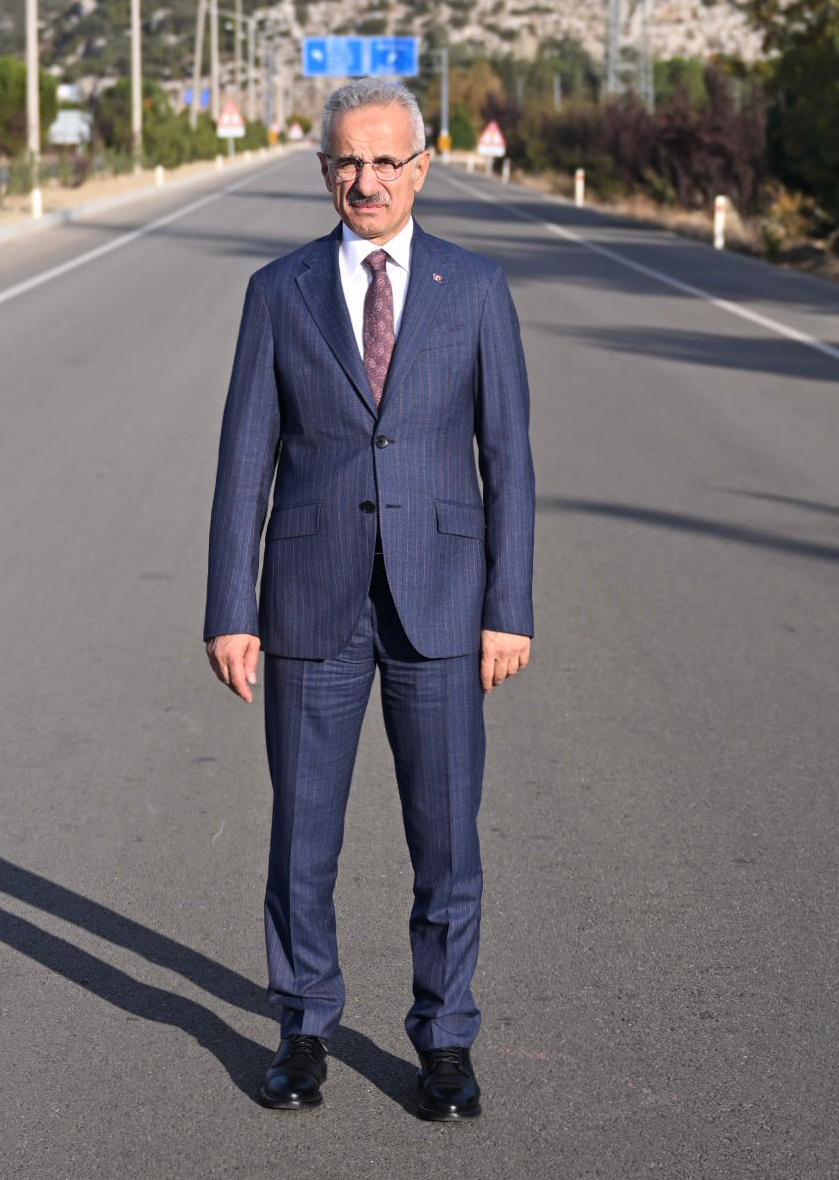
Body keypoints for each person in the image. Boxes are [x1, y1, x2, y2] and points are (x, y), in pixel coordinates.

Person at [202, 76, 536, 1121]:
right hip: (309, 603)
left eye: (388, 160)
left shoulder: (475, 289)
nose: (368, 179)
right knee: (303, 837)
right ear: (324, 171)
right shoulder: (278, 290)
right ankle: (303, 1028)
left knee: (446, 844)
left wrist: (508, 605)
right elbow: (243, 459)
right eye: (349, 160)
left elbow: (510, 461)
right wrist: (231, 606)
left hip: (442, 605)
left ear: (423, 167)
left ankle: (444, 1039)